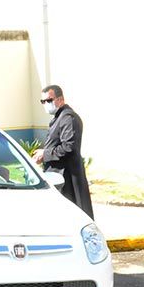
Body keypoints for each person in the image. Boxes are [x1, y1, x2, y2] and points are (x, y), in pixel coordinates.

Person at [32, 84, 93, 219]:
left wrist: (45, 154)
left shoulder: (68, 118)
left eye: (49, 100)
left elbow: (69, 147)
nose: (46, 104)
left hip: (67, 179)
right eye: (43, 101)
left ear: (60, 99)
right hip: (58, 176)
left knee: (72, 217)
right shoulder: (58, 117)